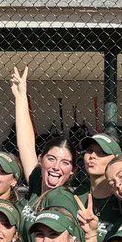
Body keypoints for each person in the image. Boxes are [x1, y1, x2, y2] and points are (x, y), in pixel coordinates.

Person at [11, 65, 77, 223]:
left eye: (65, 162)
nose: (56, 167)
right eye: (51, 158)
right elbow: (26, 144)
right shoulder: (36, 183)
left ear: (72, 170)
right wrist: (21, 96)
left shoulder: (61, 199)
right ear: (40, 160)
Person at [79, 131, 122, 242]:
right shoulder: (77, 194)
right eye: (89, 150)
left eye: (102, 152)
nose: (92, 156)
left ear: (117, 159)